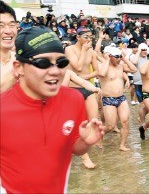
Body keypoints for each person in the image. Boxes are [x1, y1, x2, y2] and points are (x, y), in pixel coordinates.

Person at [0, 27, 104, 193]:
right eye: (43, 63)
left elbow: (74, 149)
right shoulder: (3, 109)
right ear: (19, 67)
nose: (55, 71)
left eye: (61, 63)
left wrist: (85, 142)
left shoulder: (74, 99)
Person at [64, 26, 102, 169]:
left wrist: (83, 79)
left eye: (90, 37)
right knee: (77, 122)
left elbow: (96, 71)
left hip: (86, 87)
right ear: (78, 37)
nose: (88, 40)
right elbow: (78, 67)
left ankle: (82, 147)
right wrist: (84, 51)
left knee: (93, 120)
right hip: (73, 89)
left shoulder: (91, 51)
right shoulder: (70, 50)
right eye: (86, 37)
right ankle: (85, 157)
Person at [98, 46, 137, 151]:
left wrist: (124, 59)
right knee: (110, 126)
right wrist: (106, 59)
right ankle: (99, 135)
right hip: (108, 99)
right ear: (110, 56)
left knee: (125, 121)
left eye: (120, 56)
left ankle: (122, 145)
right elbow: (101, 74)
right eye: (116, 57)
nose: (119, 59)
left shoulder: (121, 66)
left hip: (121, 98)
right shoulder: (103, 66)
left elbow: (134, 69)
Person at [0, 0, 18, 92]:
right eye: (1, 25)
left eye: (12, 25)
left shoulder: (20, 59)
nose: (8, 31)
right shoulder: (21, 66)